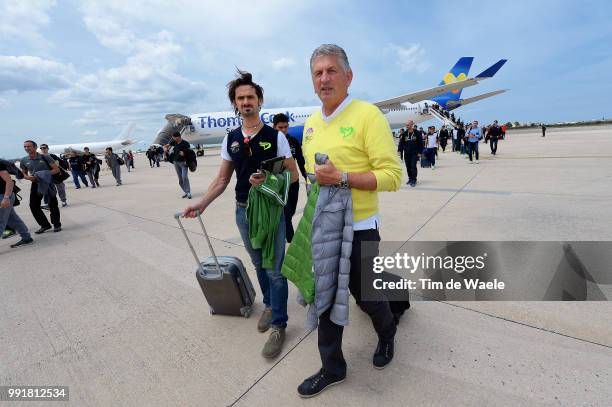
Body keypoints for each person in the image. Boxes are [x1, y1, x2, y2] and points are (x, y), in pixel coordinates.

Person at [296, 44, 402, 398]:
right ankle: (332, 368)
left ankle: (387, 335)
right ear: (313, 81)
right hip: (324, 229)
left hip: (360, 227)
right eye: (318, 73)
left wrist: (342, 177)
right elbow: (315, 176)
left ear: (348, 76)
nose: (324, 78)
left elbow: (392, 176)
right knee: (324, 300)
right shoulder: (310, 124)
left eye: (331, 71)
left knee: (368, 297)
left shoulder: (368, 116)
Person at [183, 69, 298, 359]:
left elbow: (293, 177)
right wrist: (202, 203)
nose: (246, 102)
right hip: (244, 211)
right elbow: (222, 180)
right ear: (235, 103)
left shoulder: (275, 137)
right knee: (258, 264)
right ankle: (270, 306)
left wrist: (269, 180)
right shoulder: (230, 139)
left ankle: (279, 326)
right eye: (240, 98)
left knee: (274, 269)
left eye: (251, 97)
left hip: (271, 212)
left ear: (260, 101)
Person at [272, 113, 307, 243]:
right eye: (280, 127)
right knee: (285, 214)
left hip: (293, 183)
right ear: (274, 127)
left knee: (290, 212)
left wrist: (307, 178)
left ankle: (284, 233)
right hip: (279, 184)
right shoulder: (270, 142)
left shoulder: (293, 142)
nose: (283, 130)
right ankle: (292, 241)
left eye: (285, 127)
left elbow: (301, 162)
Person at [20, 140, 62, 233]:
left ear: (35, 147)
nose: (26, 148)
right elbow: (24, 174)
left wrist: (43, 174)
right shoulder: (24, 160)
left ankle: (57, 224)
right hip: (35, 183)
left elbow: (56, 169)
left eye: (29, 146)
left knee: (52, 205)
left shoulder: (45, 157)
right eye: (25, 147)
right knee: (33, 205)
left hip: (48, 183)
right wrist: (29, 178)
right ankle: (45, 225)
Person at [0, 160, 33, 248]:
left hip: (4, 196)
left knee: (1, 220)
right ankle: (26, 238)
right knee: (12, 218)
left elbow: (9, 182)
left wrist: (6, 198)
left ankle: (26, 237)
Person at [165, 131, 192, 199]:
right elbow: (166, 146)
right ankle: (185, 191)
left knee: (184, 177)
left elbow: (190, 152)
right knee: (180, 179)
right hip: (176, 162)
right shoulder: (174, 142)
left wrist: (184, 154)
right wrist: (165, 148)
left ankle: (188, 192)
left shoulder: (186, 143)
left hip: (184, 163)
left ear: (178, 137)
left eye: (174, 138)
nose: (173, 139)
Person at [397, 119, 422, 187]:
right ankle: (410, 178)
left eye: (408, 125)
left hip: (414, 153)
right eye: (406, 125)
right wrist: (399, 150)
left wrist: (420, 152)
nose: (406, 126)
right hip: (407, 153)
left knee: (413, 166)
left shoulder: (417, 133)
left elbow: (420, 143)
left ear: (412, 125)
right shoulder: (405, 133)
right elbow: (401, 143)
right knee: (408, 167)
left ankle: (414, 180)